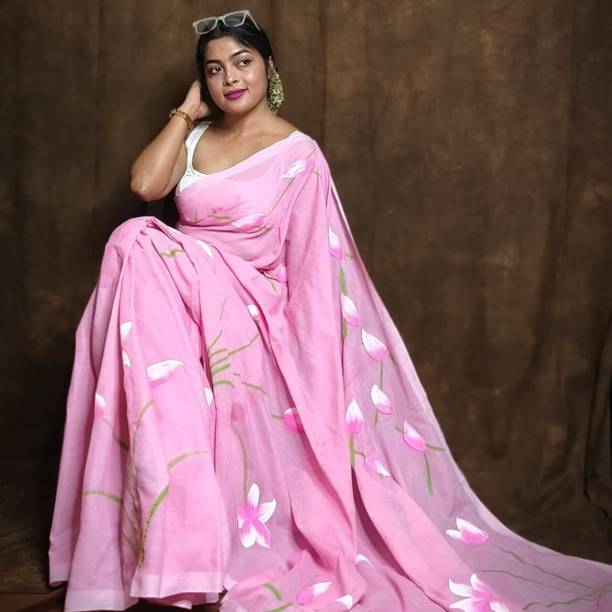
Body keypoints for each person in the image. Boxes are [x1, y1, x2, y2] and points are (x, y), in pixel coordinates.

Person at [47, 9, 612, 612]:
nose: (230, 79)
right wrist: (186, 112)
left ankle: (182, 554)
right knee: (134, 241)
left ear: (269, 67)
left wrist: (312, 374)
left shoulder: (298, 155)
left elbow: (312, 272)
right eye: (213, 70)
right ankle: (172, 548)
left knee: (136, 241)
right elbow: (145, 185)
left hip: (248, 312)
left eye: (243, 62)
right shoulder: (191, 138)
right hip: (176, 305)